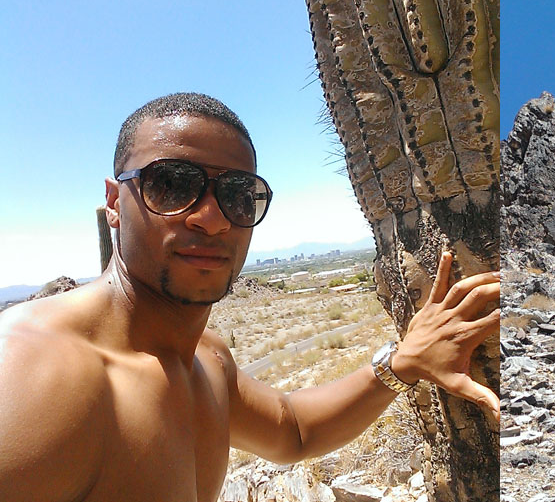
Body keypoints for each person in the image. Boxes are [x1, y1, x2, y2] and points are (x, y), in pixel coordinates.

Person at [0, 93, 499, 501]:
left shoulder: (207, 358)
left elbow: (293, 430)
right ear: (114, 203)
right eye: (172, 185)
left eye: (239, 194)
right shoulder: (39, 377)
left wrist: (403, 362)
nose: (213, 218)